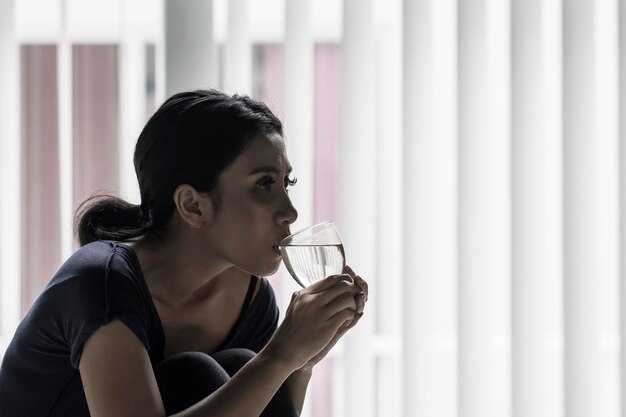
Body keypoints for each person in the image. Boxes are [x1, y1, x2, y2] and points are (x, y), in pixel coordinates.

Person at [0, 89, 368, 416]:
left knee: (243, 367)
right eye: (263, 184)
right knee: (196, 373)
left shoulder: (248, 294)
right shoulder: (103, 281)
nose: (290, 211)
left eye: (286, 183)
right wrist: (280, 355)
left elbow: (265, 408)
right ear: (192, 205)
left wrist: (301, 362)